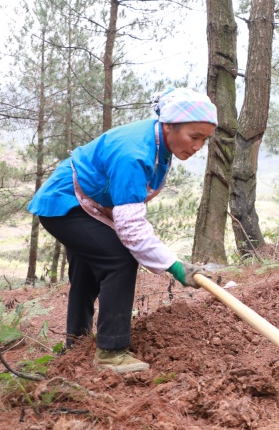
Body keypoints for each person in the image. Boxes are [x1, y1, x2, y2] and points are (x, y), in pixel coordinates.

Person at [28, 87, 216, 373]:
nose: (198, 146)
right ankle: (111, 353)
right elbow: (130, 227)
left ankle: (76, 343)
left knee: (90, 267)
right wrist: (175, 267)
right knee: (119, 259)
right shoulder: (134, 154)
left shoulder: (158, 143)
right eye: (194, 136)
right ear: (168, 126)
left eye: (205, 139)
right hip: (65, 204)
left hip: (84, 204)